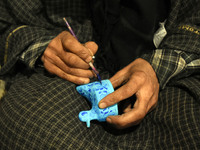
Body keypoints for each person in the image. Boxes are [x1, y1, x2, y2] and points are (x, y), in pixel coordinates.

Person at [0, 0, 200, 149]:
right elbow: (7, 20)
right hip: (86, 67)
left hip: (178, 70)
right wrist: (43, 45)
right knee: (25, 125)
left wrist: (158, 67)